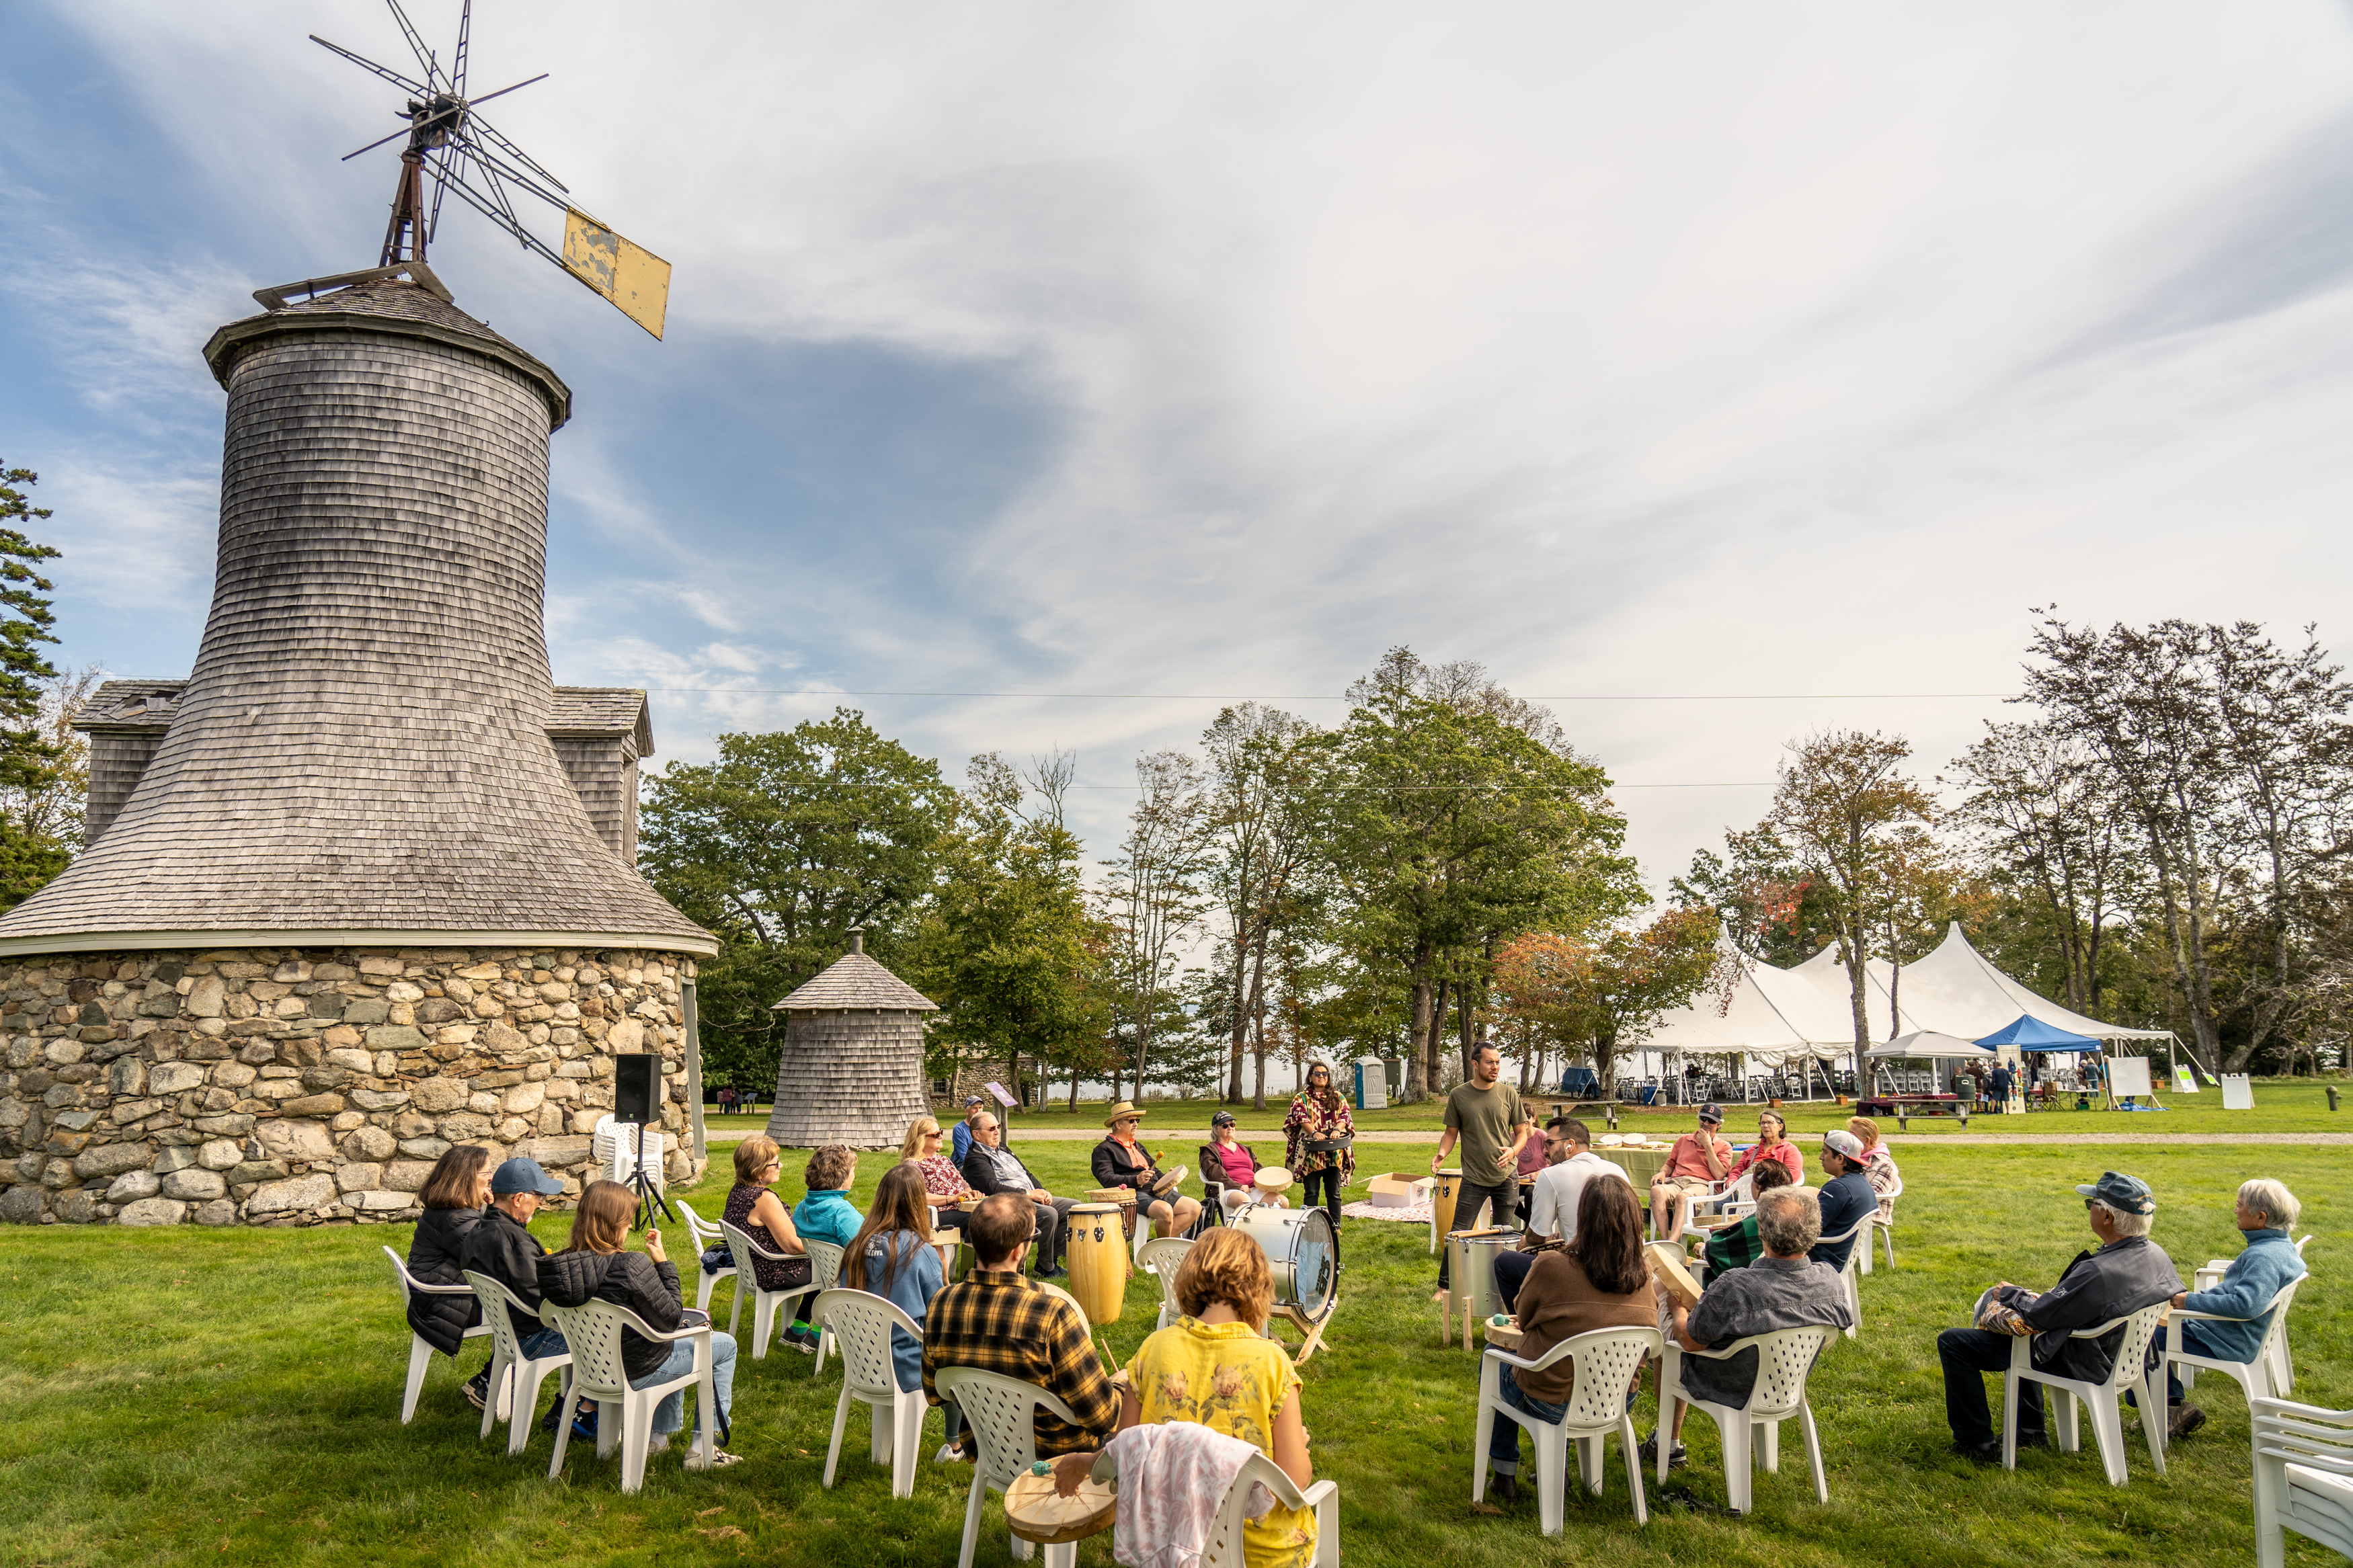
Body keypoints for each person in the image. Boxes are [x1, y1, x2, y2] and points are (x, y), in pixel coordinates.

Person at [1049, 1227, 1319, 1567]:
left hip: (1167, 1539)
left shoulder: (1153, 1349)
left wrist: (1087, 1462)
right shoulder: (1273, 1363)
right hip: (1257, 1550)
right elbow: (1295, 1481)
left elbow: (1125, 1451)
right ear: (1259, 1287)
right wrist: (1300, 1447)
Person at [1936, 1171, 2182, 1461]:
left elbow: (2040, 1317)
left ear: (2108, 1218)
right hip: (2124, 1355)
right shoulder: (2155, 1253)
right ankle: (2028, 1429)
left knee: (1956, 1342)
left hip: (2086, 1357)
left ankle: (1976, 1443)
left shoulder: (2100, 1271)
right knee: (2020, 1331)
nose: (2089, 1208)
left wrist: (2011, 1294)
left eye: (2092, 1203)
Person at [539, 1178, 742, 1470]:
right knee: (724, 1345)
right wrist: (662, 1262)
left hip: (590, 1371)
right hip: (639, 1370)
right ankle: (701, 1449)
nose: (630, 1228)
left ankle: (657, 1439)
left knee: (674, 1342)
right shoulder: (630, 1265)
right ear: (615, 1222)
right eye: (627, 1220)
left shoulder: (561, 1268)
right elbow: (671, 1318)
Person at [1647, 1186, 1853, 1470]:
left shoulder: (1736, 1286)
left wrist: (1675, 1304)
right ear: (1813, 1232)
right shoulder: (1830, 1280)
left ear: (1762, 1234)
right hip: (1787, 1382)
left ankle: (1668, 1443)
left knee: (1665, 1322)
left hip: (1730, 1383)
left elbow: (1690, 1340)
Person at [1484, 1177, 1657, 1504]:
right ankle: (1555, 1464)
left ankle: (1504, 1473)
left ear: (1584, 1218)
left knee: (1495, 1355)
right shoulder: (1645, 1278)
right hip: (1616, 1398)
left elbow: (1524, 1313)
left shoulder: (1552, 1266)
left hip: (1551, 1398)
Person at [922, 1191, 1120, 1462]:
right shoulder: (1052, 1313)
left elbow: (935, 1393)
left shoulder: (940, 1304)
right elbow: (1102, 1416)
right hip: (1058, 1454)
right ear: (1019, 1251)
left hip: (986, 1448)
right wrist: (1122, 1386)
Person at [2160, 1178, 2307, 1440]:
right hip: (2229, 1332)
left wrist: (2190, 1302)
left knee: (2138, 1341)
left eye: (2240, 1206)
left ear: (2260, 1218)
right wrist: (2198, 1297)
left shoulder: (2263, 1257)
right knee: (2154, 1324)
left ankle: (2171, 1409)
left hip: (2225, 1340)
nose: (2235, 1210)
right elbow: (2238, 1291)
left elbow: (2246, 1305)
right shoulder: (2280, 1247)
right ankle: (2169, 1405)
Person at [842, 1163, 963, 1458]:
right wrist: (944, 1276)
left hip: (864, 1362)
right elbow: (942, 1317)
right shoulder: (920, 1252)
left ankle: (883, 1453)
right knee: (964, 1357)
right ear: (918, 1204)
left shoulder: (855, 1247)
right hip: (909, 1366)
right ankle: (955, 1444)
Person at [1494, 1118, 1629, 1311]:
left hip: (1587, 1273)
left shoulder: (1551, 1175)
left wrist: (1526, 1241)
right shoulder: (1617, 1170)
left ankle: (1524, 1329)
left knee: (1504, 1263)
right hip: (1627, 1266)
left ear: (1570, 1145)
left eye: (1549, 1144)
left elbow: (1537, 1236)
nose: (1544, 1151)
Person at [1431, 1040, 1530, 1291]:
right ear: (1475, 1064)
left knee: (1504, 1234)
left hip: (1506, 1176)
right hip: (1474, 1178)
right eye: (1489, 1062)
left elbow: (1522, 1134)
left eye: (1498, 1062)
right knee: (1458, 1232)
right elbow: (1451, 1133)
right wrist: (1442, 1153)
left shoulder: (1508, 1094)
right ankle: (1445, 1286)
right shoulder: (1459, 1095)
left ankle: (1498, 1286)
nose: (1495, 1067)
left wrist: (1514, 1150)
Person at [405, 1143, 495, 1409]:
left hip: (437, 1293)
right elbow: (495, 1259)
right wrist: (507, 1214)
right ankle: (490, 1384)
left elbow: (490, 1244)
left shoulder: (449, 1211)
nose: (491, 1178)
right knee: (522, 1310)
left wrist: (491, 1213)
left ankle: (487, 1380)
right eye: (486, 1173)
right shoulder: (456, 1219)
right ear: (467, 1177)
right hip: (443, 1302)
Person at [721, 1134, 819, 1353]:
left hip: (753, 1268)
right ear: (758, 1171)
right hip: (775, 1271)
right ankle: (813, 1334)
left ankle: (797, 1329)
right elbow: (793, 1247)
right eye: (775, 1163)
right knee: (835, 1267)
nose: (780, 1165)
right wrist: (821, 1247)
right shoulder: (764, 1199)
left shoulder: (738, 1191)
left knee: (824, 1265)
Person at [961, 1110, 1077, 1277]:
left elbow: (1026, 1173)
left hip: (1030, 1197)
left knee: (1074, 1208)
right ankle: (1045, 1268)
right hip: (1010, 1204)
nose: (996, 1131)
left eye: (998, 1127)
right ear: (976, 1134)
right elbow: (993, 1188)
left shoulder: (1002, 1148)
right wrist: (1030, 1195)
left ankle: (1052, 1259)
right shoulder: (975, 1158)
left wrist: (1043, 1191)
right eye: (991, 1128)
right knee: (1050, 1214)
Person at [1092, 1102, 1203, 1239]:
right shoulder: (1103, 1150)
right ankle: (1163, 1248)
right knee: (1166, 1211)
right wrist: (1135, 1180)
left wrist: (1168, 1178)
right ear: (1118, 1124)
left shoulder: (1137, 1145)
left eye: (1137, 1120)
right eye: (1131, 1120)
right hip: (1133, 1194)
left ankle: (1161, 1244)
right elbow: (1106, 1179)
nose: (1136, 1124)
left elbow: (1153, 1169)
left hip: (1155, 1190)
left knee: (1194, 1207)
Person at [1283, 1061, 1357, 1229]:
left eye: (1324, 1074)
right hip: (1310, 1152)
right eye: (1317, 1074)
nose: (1321, 1077)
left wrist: (1338, 1129)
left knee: (1334, 1192)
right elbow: (1300, 1117)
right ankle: (1310, 1226)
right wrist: (1314, 1133)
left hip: (1334, 1152)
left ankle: (1336, 1226)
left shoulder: (1338, 1097)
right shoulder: (1301, 1098)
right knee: (1311, 1192)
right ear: (1310, 1077)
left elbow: (1345, 1116)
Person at [1698, 1159, 1797, 1280]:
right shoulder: (1797, 1218)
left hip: (1748, 1284)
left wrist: (1703, 1249)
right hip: (1790, 1278)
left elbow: (1717, 1251)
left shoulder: (1758, 1223)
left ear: (1758, 1187)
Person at [1649, 1103, 1732, 1243]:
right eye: (1703, 1118)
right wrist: (1662, 1173)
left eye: (1711, 1121)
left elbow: (1719, 1175)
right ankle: (1665, 1241)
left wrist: (1707, 1145)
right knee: (1657, 1190)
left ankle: (1673, 1243)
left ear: (1718, 1125)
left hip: (1701, 1184)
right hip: (1677, 1181)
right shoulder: (1683, 1140)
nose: (1706, 1123)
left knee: (1683, 1198)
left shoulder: (1724, 1146)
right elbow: (1670, 1164)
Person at [1812, 1130, 1878, 1272]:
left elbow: (1808, 1227)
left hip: (1821, 1259)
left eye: (1825, 1152)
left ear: (1840, 1159)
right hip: (1841, 1257)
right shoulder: (1862, 1182)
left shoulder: (1838, 1188)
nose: (1820, 1157)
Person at [904, 1115, 977, 1236]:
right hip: (935, 1215)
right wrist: (952, 1198)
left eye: (941, 1132)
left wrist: (970, 1193)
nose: (941, 1136)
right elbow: (918, 1197)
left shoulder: (944, 1160)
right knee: (977, 1221)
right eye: (936, 1135)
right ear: (921, 1139)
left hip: (959, 1210)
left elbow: (962, 1183)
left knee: (989, 1219)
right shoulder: (913, 1164)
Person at [794, 1144, 863, 1251]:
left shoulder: (802, 1207)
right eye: (853, 1171)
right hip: (844, 1268)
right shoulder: (841, 1212)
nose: (854, 1176)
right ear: (842, 1176)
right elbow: (866, 1250)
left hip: (821, 1267)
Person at [1723, 1110, 1803, 1190]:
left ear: (1780, 1127)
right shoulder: (1752, 1150)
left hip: (1774, 1193)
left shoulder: (1790, 1150)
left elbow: (1791, 1176)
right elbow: (1737, 1170)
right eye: (1763, 1123)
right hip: (1744, 1192)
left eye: (1770, 1123)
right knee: (1718, 1203)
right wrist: (1732, 1181)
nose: (1765, 1126)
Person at [1203, 1110, 1264, 1212]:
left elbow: (1258, 1169)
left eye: (1232, 1124)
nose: (1230, 1128)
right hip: (1229, 1190)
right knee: (1245, 1202)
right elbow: (1215, 1174)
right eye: (1225, 1126)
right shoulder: (1211, 1150)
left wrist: (1270, 1181)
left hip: (1254, 1187)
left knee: (1281, 1201)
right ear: (1216, 1130)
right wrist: (1238, 1186)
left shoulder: (1243, 1148)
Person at [1847, 1115, 1901, 1221]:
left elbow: (1873, 1197)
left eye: (1853, 1136)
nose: (1848, 1140)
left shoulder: (1885, 1164)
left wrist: (1842, 1200)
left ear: (1867, 1140)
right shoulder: (1851, 1157)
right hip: (1845, 1208)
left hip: (1868, 1214)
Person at [950, 1096, 987, 1165]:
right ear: (967, 1112)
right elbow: (965, 1156)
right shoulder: (959, 1129)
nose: (978, 1111)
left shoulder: (986, 1126)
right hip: (965, 1165)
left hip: (984, 1162)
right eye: (974, 1108)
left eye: (980, 1108)